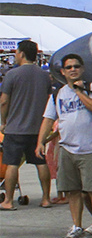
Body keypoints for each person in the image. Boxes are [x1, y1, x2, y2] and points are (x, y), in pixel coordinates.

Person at [36, 54, 92, 238]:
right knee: (72, 191)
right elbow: (49, 118)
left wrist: (79, 91)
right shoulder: (58, 94)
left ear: (82, 69)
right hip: (67, 149)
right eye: (68, 67)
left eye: (76, 66)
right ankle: (76, 226)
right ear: (62, 72)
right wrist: (40, 142)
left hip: (90, 149)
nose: (72, 70)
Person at [1, 40, 57, 211]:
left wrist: (3, 122)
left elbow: (4, 101)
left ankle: (8, 200)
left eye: (17, 52)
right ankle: (46, 198)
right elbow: (49, 99)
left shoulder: (12, 74)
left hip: (15, 128)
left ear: (22, 54)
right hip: (37, 128)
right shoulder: (44, 76)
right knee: (40, 162)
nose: (16, 55)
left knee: (12, 163)